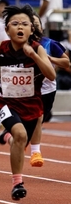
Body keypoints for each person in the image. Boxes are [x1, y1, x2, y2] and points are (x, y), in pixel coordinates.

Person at [0, 5, 56, 201]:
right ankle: (17, 183)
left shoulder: (37, 49)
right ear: (7, 30)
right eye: (15, 24)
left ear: (31, 29)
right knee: (20, 135)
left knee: (19, 141)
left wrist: (33, 56)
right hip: (6, 104)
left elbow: (51, 75)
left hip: (31, 106)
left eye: (24, 24)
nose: (20, 27)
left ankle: (5, 136)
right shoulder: (3, 47)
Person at [27, 14, 69, 166]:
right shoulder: (19, 44)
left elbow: (66, 62)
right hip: (26, 90)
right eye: (31, 23)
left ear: (41, 26)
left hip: (46, 90)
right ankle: (35, 152)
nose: (34, 25)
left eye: (36, 23)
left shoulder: (50, 44)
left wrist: (49, 59)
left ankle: (22, 140)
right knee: (34, 119)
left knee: (36, 121)